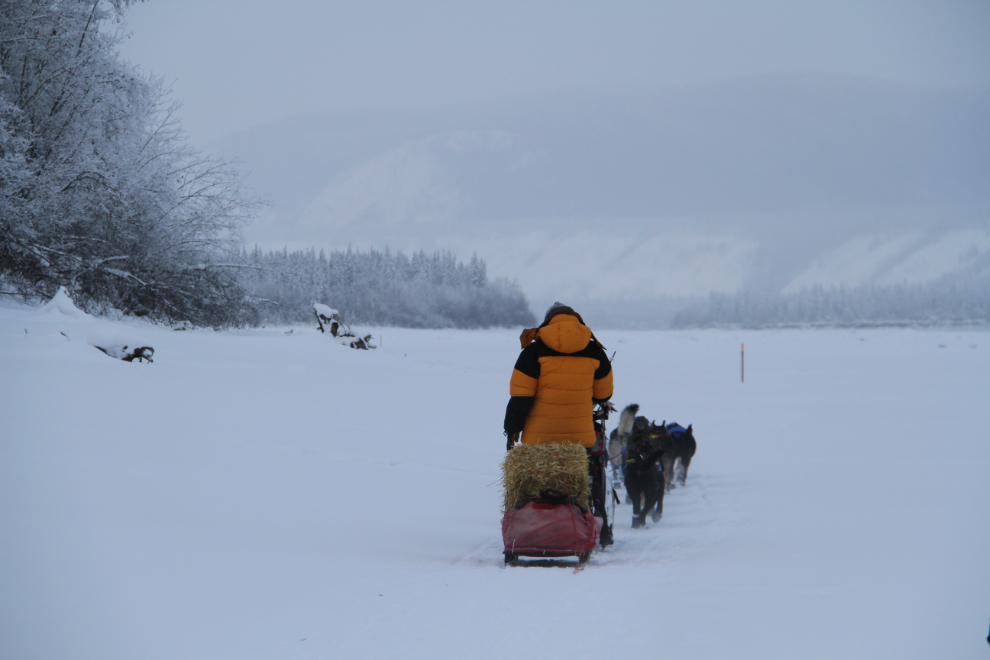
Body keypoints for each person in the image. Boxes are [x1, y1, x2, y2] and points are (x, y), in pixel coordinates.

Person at [503, 302, 614, 544]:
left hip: (537, 438)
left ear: (548, 321)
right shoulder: (595, 351)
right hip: (579, 437)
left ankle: (531, 527)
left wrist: (511, 429)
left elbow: (520, 398)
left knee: (532, 481)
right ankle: (600, 527)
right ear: (577, 322)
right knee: (590, 471)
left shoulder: (533, 352)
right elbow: (604, 395)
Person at [624, 433, 665, 528]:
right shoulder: (654, 455)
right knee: (651, 499)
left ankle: (636, 520)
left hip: (633, 476)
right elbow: (661, 474)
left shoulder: (629, 455)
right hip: (649, 476)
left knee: (636, 500)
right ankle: (641, 518)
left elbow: (626, 465)